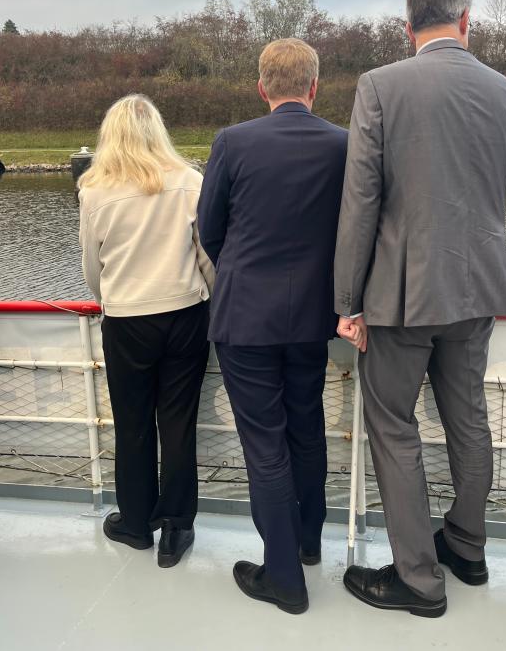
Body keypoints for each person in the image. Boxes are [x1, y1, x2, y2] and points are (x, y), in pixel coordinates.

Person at [335, 0, 506, 618]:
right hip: (477, 288)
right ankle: (467, 547)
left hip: (401, 294)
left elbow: (360, 201)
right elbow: (499, 185)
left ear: (405, 26)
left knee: (393, 425)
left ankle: (419, 577)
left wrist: (346, 301)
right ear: (466, 21)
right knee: (467, 416)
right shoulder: (505, 91)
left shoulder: (381, 86)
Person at [198, 38, 348, 615]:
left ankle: (284, 576)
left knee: (265, 445)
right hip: (313, 317)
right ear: (315, 87)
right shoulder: (342, 143)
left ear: (262, 88)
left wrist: (243, 272)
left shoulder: (233, 143)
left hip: (245, 318)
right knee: (305, 428)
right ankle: (309, 541)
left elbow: (209, 230)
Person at [78, 94, 214, 568]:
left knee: (132, 424)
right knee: (177, 422)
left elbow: (92, 268)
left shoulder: (94, 190)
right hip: (184, 315)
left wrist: (111, 298)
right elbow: (206, 257)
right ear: (158, 131)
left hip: (126, 319)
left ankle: (135, 524)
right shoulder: (190, 181)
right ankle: (176, 529)